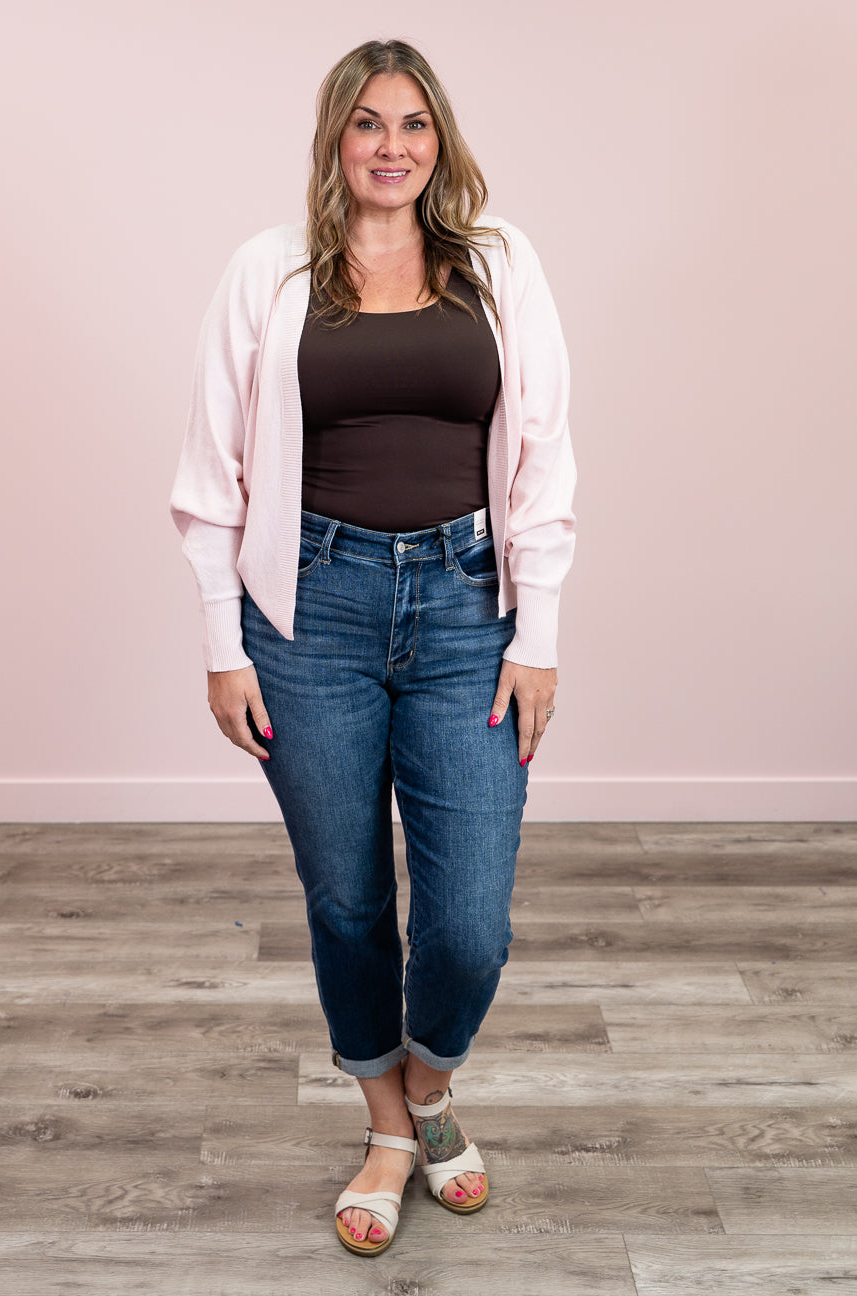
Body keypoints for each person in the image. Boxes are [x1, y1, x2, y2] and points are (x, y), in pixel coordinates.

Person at [170, 38, 577, 1256]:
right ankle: (391, 1129)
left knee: (468, 923)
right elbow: (211, 473)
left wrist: (539, 633)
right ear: (334, 138)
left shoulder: (500, 263)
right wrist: (223, 645)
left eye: (412, 124)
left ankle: (432, 1084)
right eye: (367, 123)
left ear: (439, 140)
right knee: (347, 898)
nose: (390, 147)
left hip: (467, 607)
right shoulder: (269, 270)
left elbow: (546, 454)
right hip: (310, 612)